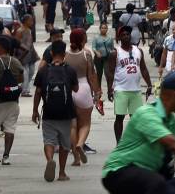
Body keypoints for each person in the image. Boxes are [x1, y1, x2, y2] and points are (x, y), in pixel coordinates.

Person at [32, 41, 79, 182]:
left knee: (49, 140)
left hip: (48, 113)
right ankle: (62, 173)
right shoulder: (70, 70)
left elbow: (38, 92)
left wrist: (35, 111)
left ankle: (50, 160)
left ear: (51, 53)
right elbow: (76, 89)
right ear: (64, 54)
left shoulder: (43, 71)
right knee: (65, 145)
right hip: (66, 113)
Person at [106, 25, 153, 142]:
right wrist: (109, 89)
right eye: (123, 35)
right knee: (120, 117)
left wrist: (149, 84)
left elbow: (143, 69)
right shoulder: (115, 53)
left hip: (136, 90)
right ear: (119, 38)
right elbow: (110, 72)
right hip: (121, 89)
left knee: (136, 118)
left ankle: (135, 141)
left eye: (128, 34)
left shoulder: (138, 51)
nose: (126, 36)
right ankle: (119, 142)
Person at [0, 35, 24, 165]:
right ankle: (6, 156)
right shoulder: (16, 61)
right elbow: (21, 79)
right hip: (13, 101)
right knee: (10, 128)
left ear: (0, 47)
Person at [65, 28, 102, 165]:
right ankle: (80, 144)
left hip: (69, 91)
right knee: (85, 123)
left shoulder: (65, 55)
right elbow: (91, 76)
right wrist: (97, 93)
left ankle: (76, 158)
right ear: (82, 39)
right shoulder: (87, 54)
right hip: (84, 89)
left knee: (72, 126)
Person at [18, 14, 40, 96]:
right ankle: (25, 90)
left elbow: (30, 43)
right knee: (25, 72)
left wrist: (34, 53)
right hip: (23, 54)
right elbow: (17, 43)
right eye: (30, 20)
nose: (32, 22)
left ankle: (24, 86)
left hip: (30, 54)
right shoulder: (20, 31)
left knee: (31, 71)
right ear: (26, 21)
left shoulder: (29, 30)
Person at [90, 21, 116, 89]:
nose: (103, 29)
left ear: (107, 29)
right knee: (99, 74)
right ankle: (99, 90)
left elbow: (112, 48)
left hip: (107, 58)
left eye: (105, 28)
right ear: (100, 29)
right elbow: (93, 47)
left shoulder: (110, 38)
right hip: (98, 58)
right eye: (102, 28)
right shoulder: (96, 37)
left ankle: (110, 89)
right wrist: (96, 52)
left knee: (108, 73)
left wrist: (112, 52)